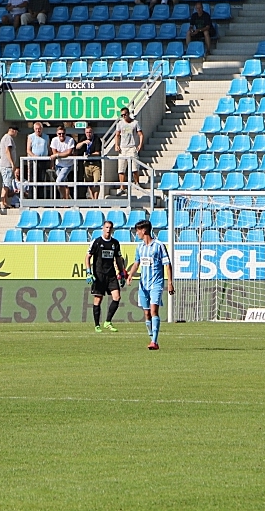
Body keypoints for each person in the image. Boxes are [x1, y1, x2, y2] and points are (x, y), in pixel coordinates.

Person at [129, 219, 174, 350]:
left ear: (144, 230)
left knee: (154, 311)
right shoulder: (139, 247)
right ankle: (151, 335)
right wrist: (131, 274)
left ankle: (154, 341)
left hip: (156, 283)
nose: (137, 233)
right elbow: (137, 262)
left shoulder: (159, 246)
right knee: (147, 314)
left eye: (138, 230)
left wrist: (170, 283)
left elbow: (167, 264)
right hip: (143, 284)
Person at [86, 220, 126, 333]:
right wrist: (89, 272)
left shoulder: (115, 243)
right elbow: (87, 257)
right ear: (103, 228)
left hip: (111, 275)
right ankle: (97, 325)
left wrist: (122, 273)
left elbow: (118, 259)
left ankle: (108, 321)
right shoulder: (97, 242)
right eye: (106, 227)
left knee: (117, 297)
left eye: (110, 228)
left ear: (112, 229)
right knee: (98, 299)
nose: (108, 229)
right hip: (99, 275)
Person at [115, 107, 143, 196]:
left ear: (128, 114)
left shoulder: (135, 123)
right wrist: (116, 145)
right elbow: (117, 135)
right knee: (121, 169)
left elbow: (141, 134)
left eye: (125, 114)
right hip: (123, 148)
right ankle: (122, 187)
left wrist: (140, 145)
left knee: (135, 168)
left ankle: (136, 183)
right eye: (122, 115)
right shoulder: (120, 124)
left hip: (132, 147)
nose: (124, 116)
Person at [75, 125, 102, 199]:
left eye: (90, 132)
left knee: (96, 183)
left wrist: (89, 155)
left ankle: (95, 200)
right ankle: (93, 200)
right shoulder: (83, 138)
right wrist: (83, 142)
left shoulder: (97, 139)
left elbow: (98, 153)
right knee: (89, 183)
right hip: (86, 164)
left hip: (96, 164)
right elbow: (77, 147)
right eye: (87, 132)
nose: (88, 134)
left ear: (92, 132)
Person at [50, 125, 76, 200]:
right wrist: (63, 154)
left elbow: (69, 152)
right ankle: (66, 199)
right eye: (59, 134)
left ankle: (65, 199)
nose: (61, 135)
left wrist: (58, 154)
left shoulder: (70, 140)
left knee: (58, 181)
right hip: (58, 164)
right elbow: (54, 152)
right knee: (62, 183)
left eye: (63, 133)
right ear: (56, 134)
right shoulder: (54, 140)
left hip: (68, 165)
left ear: (65, 133)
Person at [26, 121, 50, 199]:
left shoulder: (46, 137)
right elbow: (28, 150)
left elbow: (48, 149)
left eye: (39, 129)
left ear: (42, 129)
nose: (38, 130)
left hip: (43, 160)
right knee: (33, 179)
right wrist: (34, 156)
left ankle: (40, 198)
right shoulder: (30, 137)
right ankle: (31, 198)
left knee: (41, 180)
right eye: (36, 129)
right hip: (34, 161)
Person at [0, 125, 19, 211]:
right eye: (16, 132)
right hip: (6, 165)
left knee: (7, 183)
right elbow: (7, 151)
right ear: (13, 130)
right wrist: (12, 163)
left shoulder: (7, 138)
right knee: (6, 184)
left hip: (7, 165)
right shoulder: (8, 138)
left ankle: (5, 201)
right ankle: (2, 202)